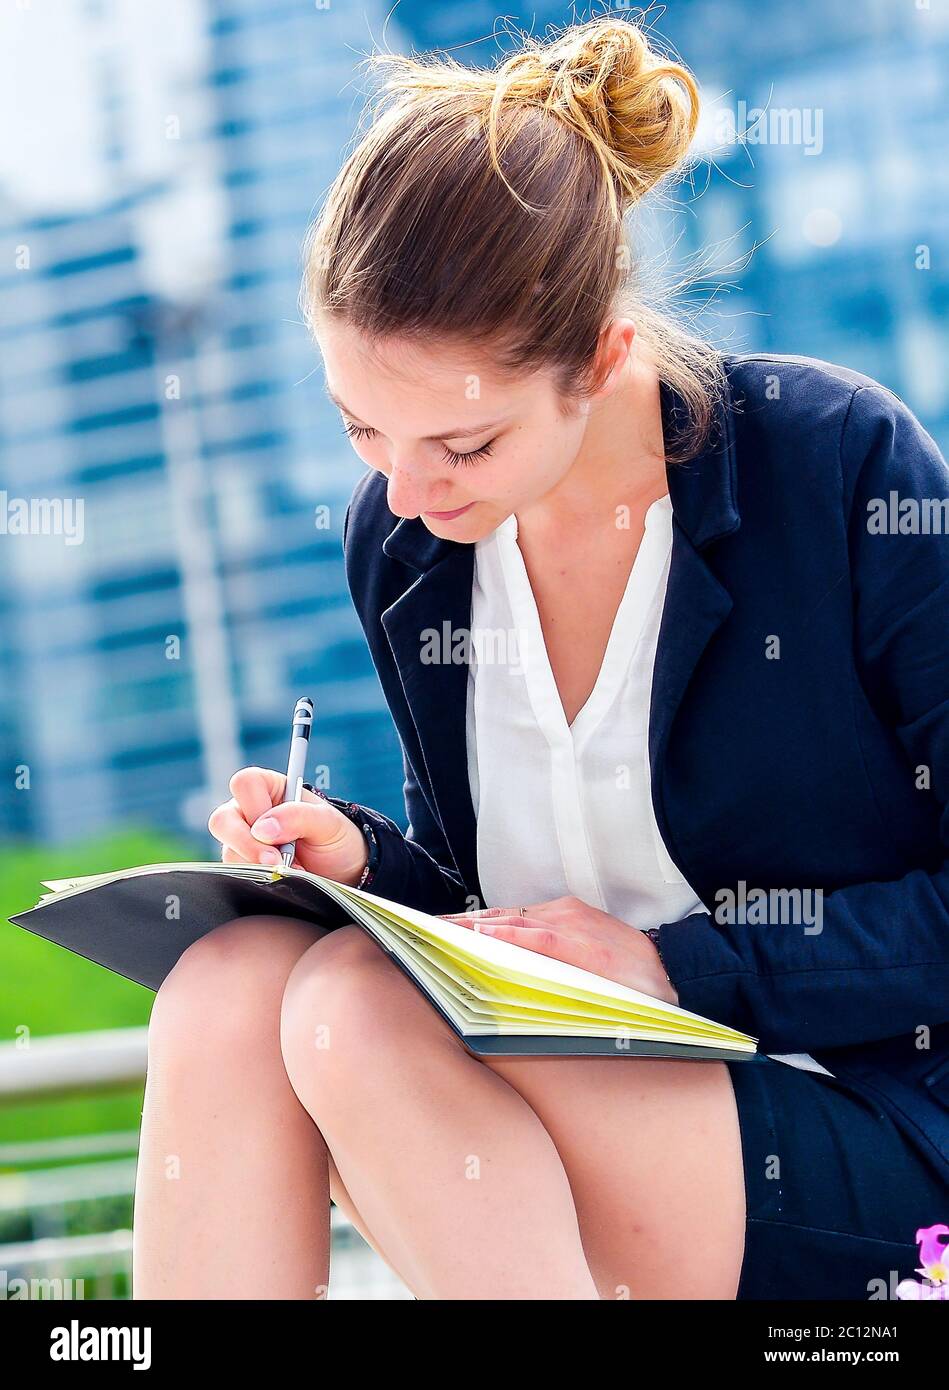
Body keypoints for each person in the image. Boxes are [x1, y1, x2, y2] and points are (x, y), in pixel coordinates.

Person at [133, 16, 949, 1300]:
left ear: (605, 358)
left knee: (352, 1004)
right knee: (231, 980)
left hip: (864, 1122)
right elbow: (492, 905)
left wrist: (682, 968)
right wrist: (360, 861)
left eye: (463, 446)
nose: (406, 492)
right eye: (362, 430)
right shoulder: (409, 548)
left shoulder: (831, 463)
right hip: (557, 1116)